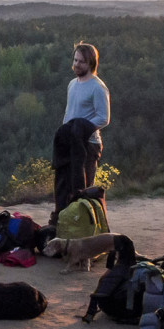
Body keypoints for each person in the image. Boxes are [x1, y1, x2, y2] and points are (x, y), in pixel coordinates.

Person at [51, 42, 110, 225]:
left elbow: (104, 117)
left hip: (88, 145)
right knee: (64, 186)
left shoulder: (98, 87)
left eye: (81, 62)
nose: (76, 64)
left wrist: (81, 128)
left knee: (82, 189)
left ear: (91, 63)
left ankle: (84, 230)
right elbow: (69, 112)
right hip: (70, 143)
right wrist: (67, 132)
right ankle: (64, 225)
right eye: (75, 60)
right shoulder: (72, 84)